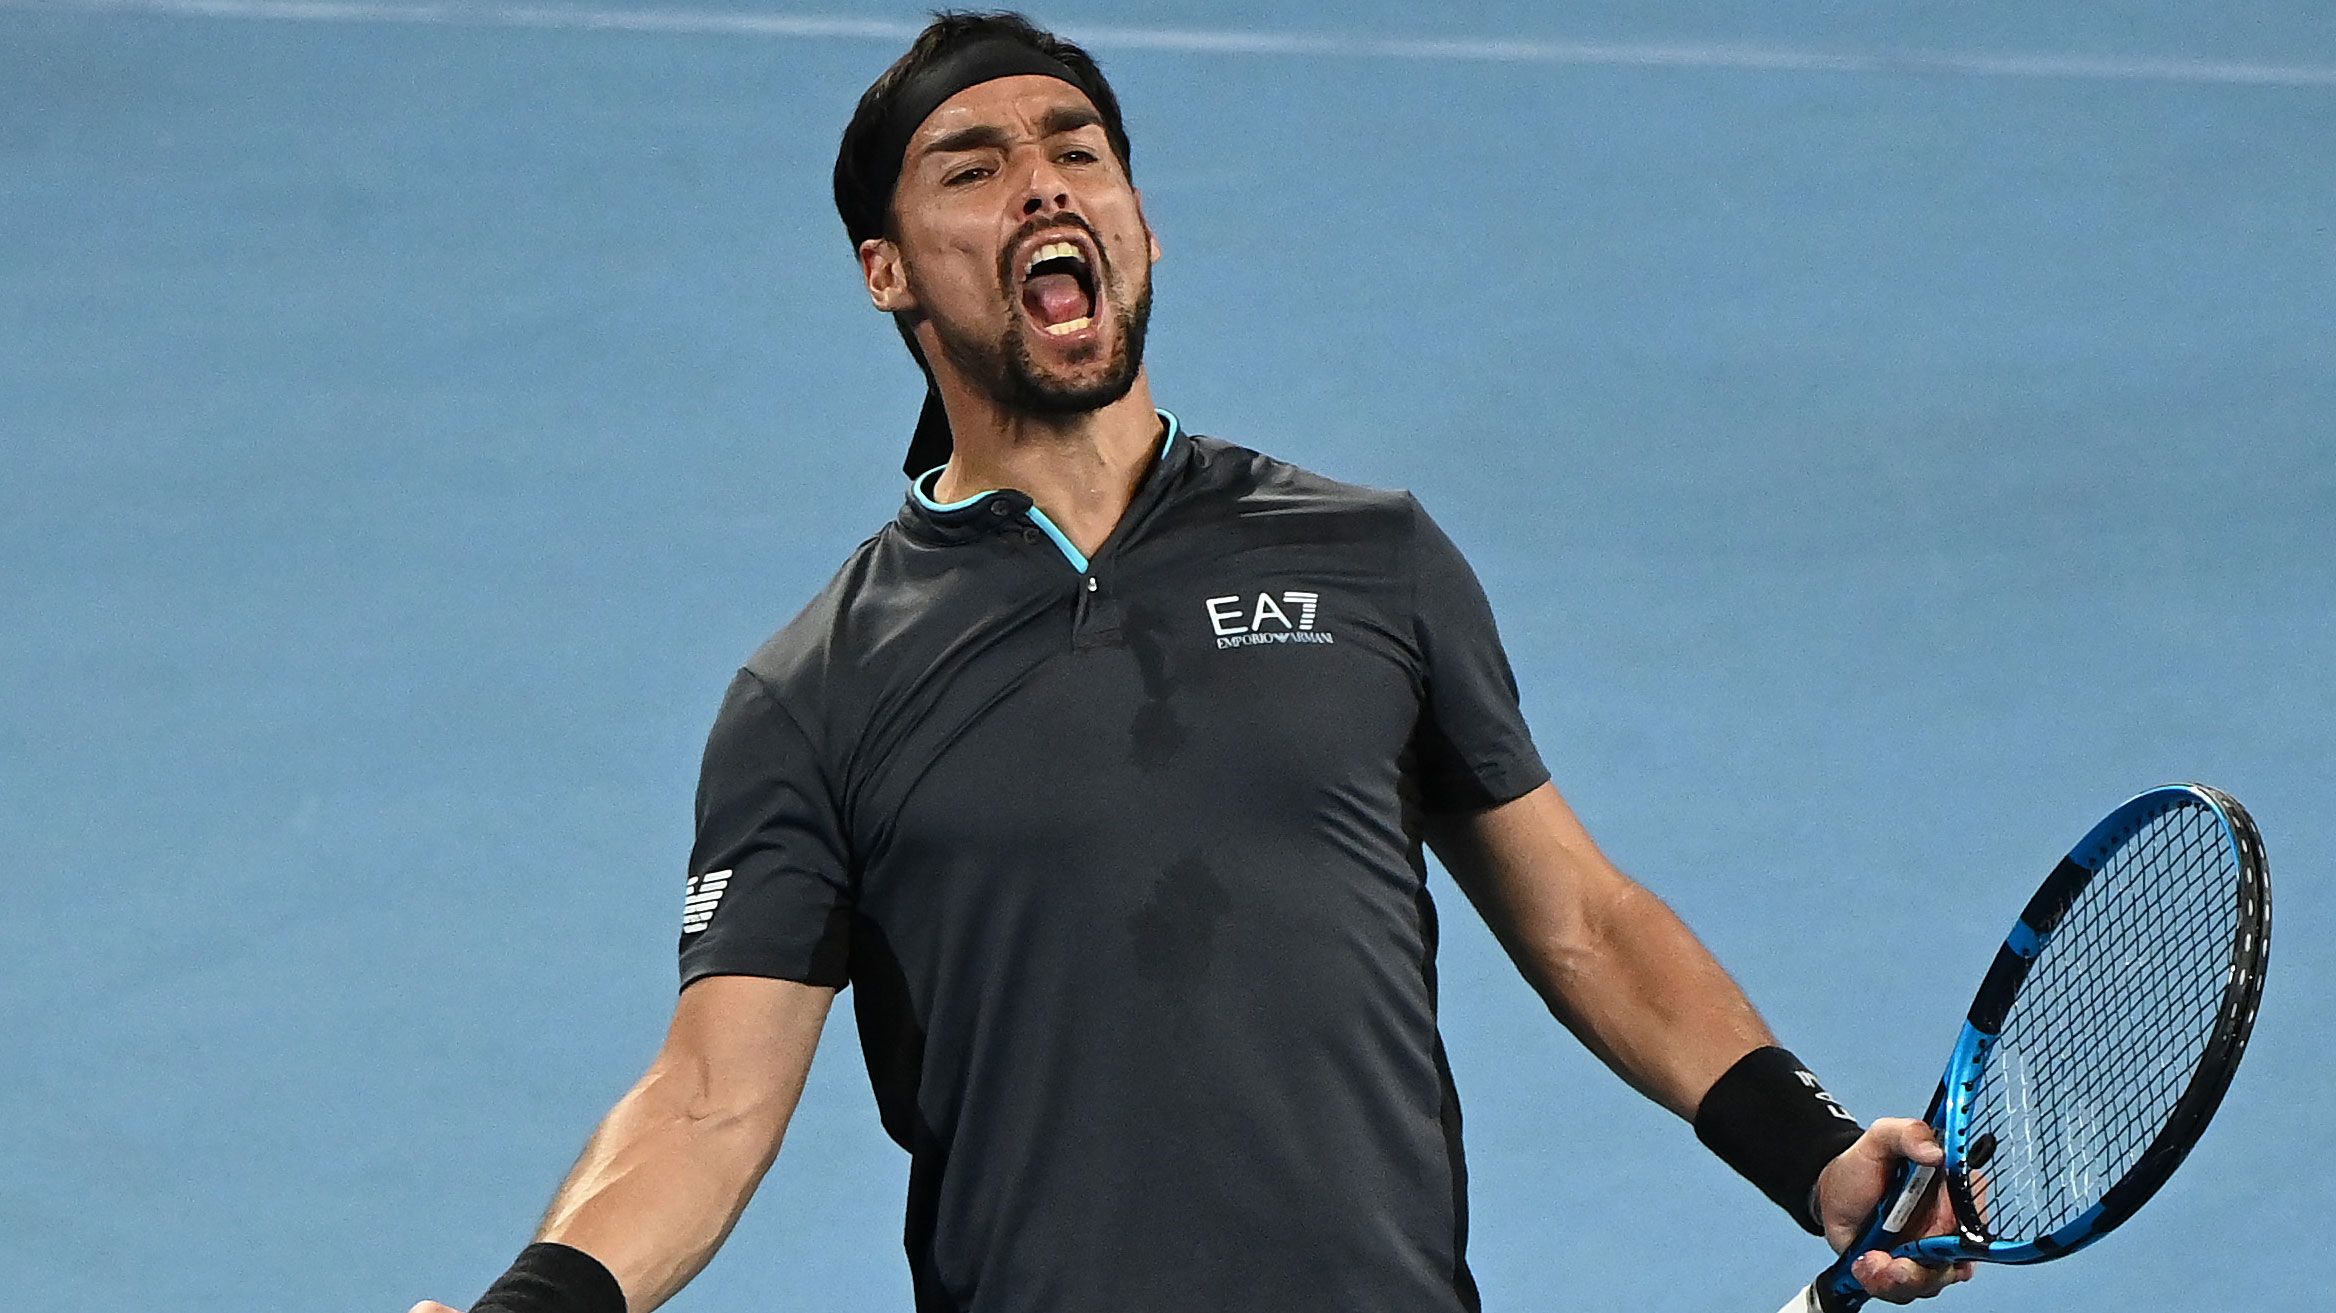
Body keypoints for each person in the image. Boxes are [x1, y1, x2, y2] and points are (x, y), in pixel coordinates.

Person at [413, 12, 1973, 1313]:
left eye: (1077, 152)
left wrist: (1813, 1145)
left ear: (1140, 225)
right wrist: (539, 1303)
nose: (1041, 187)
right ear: (886, 269)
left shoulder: (1373, 557)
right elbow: (709, 1097)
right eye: (976, 164)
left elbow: (1583, 919)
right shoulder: (811, 692)